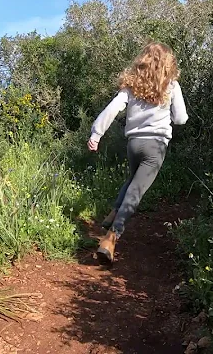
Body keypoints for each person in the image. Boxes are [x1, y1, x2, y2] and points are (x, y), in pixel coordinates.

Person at [87, 41, 188, 263]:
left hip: (134, 143)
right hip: (156, 146)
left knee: (132, 180)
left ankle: (114, 212)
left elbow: (112, 108)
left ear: (142, 61)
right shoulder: (171, 86)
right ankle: (110, 239)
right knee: (136, 192)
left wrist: (96, 134)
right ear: (168, 64)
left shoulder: (131, 86)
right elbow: (180, 118)